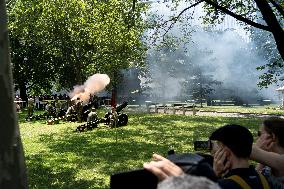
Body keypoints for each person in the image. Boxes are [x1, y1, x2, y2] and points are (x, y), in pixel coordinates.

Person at [144, 124, 270, 189]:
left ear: (225, 152)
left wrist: (214, 175)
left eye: (217, 148)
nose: (214, 153)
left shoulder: (224, 186)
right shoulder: (263, 178)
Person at [250, 117, 284, 187]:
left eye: (259, 134)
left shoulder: (281, 161)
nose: (257, 138)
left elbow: (245, 149)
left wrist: (257, 148)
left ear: (272, 136)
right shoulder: (268, 167)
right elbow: (254, 180)